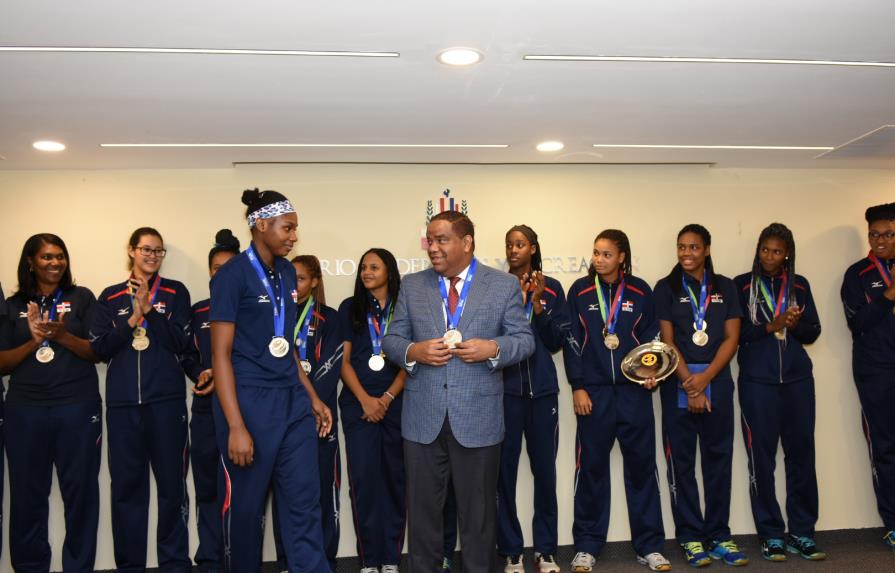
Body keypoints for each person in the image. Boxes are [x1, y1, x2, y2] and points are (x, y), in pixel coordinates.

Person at [382, 210, 535, 573]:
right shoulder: (413, 285)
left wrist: (493, 349)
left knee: (479, 519)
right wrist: (413, 352)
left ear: (466, 243)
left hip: (478, 419)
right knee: (422, 519)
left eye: (441, 240)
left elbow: (524, 340)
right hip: (422, 420)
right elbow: (391, 340)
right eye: (429, 240)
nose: (432, 248)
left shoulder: (502, 285)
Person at [210, 189, 332, 573]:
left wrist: (311, 397)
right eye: (288, 227)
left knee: (303, 504)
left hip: (291, 401)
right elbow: (220, 355)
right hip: (248, 402)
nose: (294, 236)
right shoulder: (231, 276)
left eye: (296, 228)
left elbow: (287, 345)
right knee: (245, 513)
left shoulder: (284, 271)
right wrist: (235, 425)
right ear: (261, 225)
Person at [563, 229, 671, 572]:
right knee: (591, 470)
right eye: (595, 253)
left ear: (622, 256)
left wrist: (650, 374)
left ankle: (650, 546)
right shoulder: (579, 291)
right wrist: (578, 386)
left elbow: (652, 340)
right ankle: (587, 546)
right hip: (593, 394)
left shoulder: (641, 291)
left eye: (606, 254)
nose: (599, 259)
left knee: (642, 469)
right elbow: (571, 342)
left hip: (633, 394)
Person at [91, 227, 193, 572]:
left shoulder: (176, 292)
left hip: (166, 404)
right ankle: (130, 565)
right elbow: (100, 349)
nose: (152, 255)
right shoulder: (108, 296)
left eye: (159, 251)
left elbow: (180, 342)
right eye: (146, 249)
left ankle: (175, 564)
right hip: (122, 408)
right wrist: (134, 317)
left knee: (171, 489)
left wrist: (151, 311)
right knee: (126, 492)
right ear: (132, 250)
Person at [0, 234, 102, 572]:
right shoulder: (13, 305)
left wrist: (60, 335)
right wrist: (34, 340)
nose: (55, 263)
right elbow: (2, 363)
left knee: (81, 496)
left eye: (60, 256)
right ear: (31, 261)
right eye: (46, 257)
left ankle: (79, 567)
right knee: (28, 498)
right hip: (25, 412)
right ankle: (30, 567)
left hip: (77, 407)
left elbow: (96, 352)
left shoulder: (82, 298)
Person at [653, 224, 747, 568]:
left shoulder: (725, 287)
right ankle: (691, 536)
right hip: (678, 381)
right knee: (682, 465)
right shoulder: (665, 288)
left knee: (718, 463)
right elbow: (667, 341)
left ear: (706, 249)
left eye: (693, 247)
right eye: (681, 247)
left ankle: (719, 535)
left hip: (716, 381)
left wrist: (704, 379)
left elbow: (731, 338)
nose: (686, 253)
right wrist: (689, 383)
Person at [734, 223, 824, 561]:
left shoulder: (799, 285)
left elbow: (813, 332)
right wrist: (772, 325)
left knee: (802, 456)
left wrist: (793, 323)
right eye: (764, 249)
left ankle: (802, 531)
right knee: (762, 459)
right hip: (758, 383)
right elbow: (737, 334)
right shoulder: (742, 285)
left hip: (799, 383)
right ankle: (771, 533)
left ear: (787, 254)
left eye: (776, 251)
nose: (769, 256)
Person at [499, 225, 569, 573]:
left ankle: (545, 551)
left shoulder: (552, 288)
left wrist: (539, 304)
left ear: (533, 248)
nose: (514, 250)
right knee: (504, 475)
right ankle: (512, 550)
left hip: (543, 393)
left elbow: (557, 341)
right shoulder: (495, 288)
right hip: (506, 394)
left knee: (545, 474)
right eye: (510, 244)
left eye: (520, 244)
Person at [339, 248, 407, 573]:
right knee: (364, 482)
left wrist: (388, 398)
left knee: (395, 479)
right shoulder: (350, 308)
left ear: (389, 272)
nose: (366, 272)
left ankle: (391, 558)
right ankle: (369, 560)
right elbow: (343, 361)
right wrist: (366, 400)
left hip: (397, 405)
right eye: (363, 267)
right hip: (358, 406)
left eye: (374, 267)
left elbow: (412, 360)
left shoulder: (405, 307)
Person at [180, 229, 241, 572]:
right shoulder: (198, 310)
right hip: (206, 408)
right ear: (210, 272)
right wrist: (200, 373)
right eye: (217, 268)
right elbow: (188, 355)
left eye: (229, 267)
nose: (222, 273)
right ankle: (210, 560)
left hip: (243, 410)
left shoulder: (250, 310)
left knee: (243, 489)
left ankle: (239, 557)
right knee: (206, 489)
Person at [841, 202, 895, 552]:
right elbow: (856, 323)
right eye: (874, 234)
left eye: (888, 235)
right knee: (887, 449)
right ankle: (893, 523)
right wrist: (887, 296)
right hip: (877, 371)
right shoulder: (858, 274)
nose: (879, 241)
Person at [291, 254, 344, 572]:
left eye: (299, 278)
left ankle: (326, 558)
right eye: (289, 278)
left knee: (324, 489)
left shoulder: (330, 318)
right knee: (289, 492)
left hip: (320, 415)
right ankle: (289, 559)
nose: (293, 285)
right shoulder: (275, 315)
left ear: (313, 282)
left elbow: (332, 364)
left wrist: (313, 402)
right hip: (285, 415)